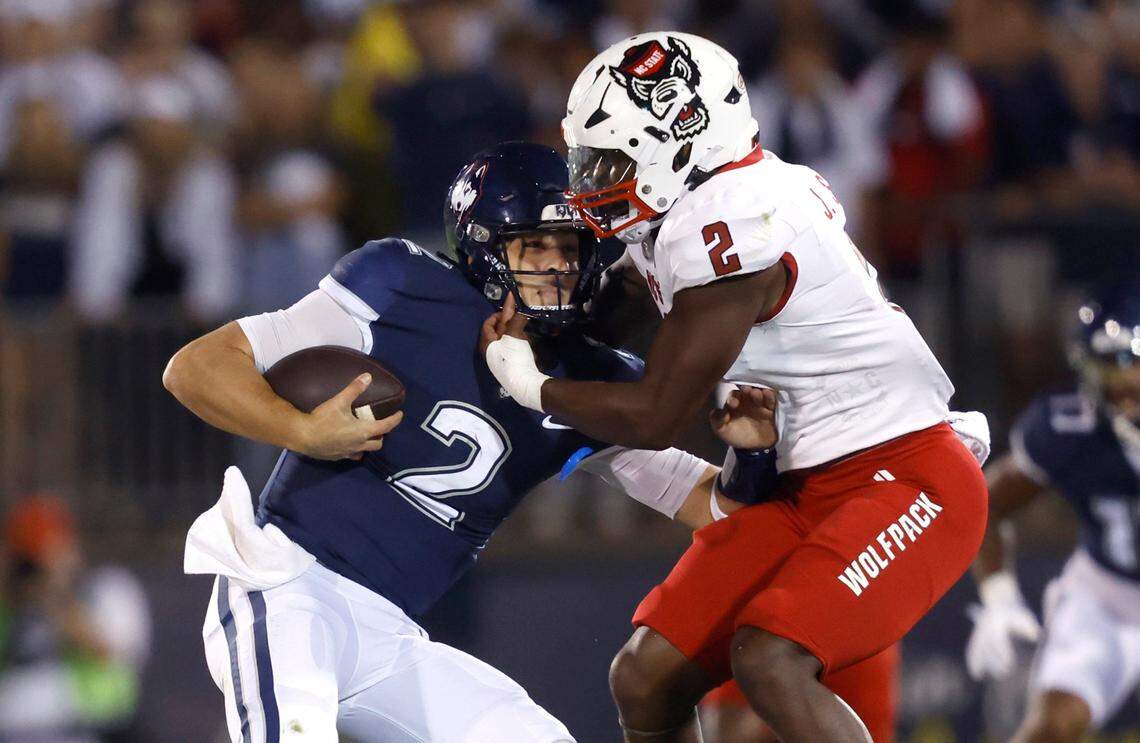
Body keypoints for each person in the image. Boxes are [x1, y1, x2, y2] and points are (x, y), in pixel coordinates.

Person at [164, 142, 776, 742]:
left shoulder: (590, 378)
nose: (556, 264)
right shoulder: (399, 285)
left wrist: (751, 456)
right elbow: (196, 366)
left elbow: (711, 507)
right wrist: (298, 429)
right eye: (533, 244)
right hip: (287, 586)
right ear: (485, 245)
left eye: (568, 245)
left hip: (392, 635)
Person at [481, 32, 991, 742]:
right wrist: (538, 322)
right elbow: (625, 306)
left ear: (682, 142)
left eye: (611, 158)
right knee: (646, 676)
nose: (595, 178)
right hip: (801, 486)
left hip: (904, 476)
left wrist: (530, 383)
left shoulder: (735, 220)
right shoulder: (694, 208)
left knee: (770, 659)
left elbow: (657, 412)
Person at [966, 279, 1140, 743]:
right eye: (1110, 369)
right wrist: (998, 598)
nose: (1124, 387)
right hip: (1104, 595)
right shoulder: (1068, 425)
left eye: (1132, 366)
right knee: (1050, 730)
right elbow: (986, 504)